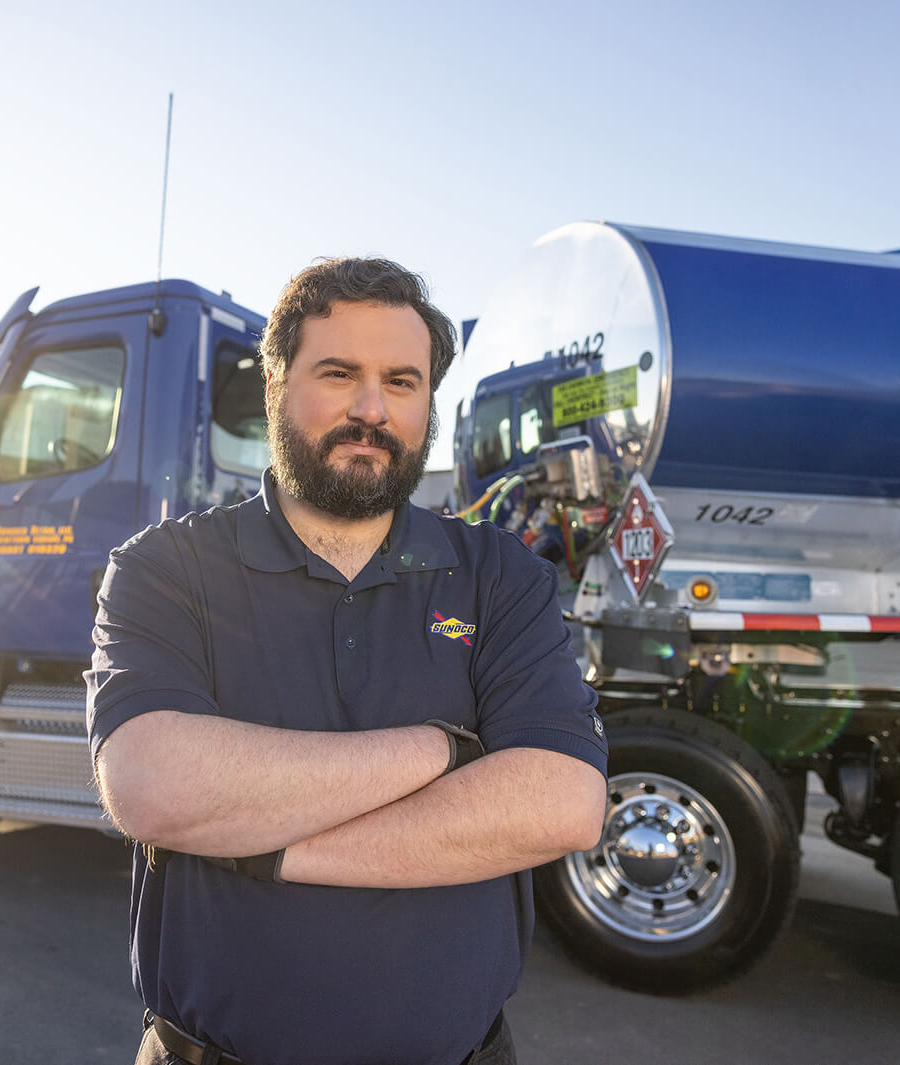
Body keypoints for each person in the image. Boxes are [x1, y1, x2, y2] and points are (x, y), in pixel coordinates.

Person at [86, 257, 608, 1065]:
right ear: (275, 383)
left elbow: (562, 800)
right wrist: (444, 749)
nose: (371, 409)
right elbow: (151, 784)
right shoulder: (166, 568)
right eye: (339, 373)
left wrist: (270, 847)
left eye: (402, 381)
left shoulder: (500, 575)